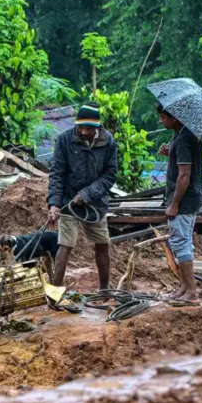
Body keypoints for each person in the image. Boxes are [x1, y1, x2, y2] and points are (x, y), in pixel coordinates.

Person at [47, 102, 119, 293]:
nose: (84, 131)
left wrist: (87, 194)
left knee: (102, 244)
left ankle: (104, 289)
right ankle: (55, 291)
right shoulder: (64, 140)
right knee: (65, 245)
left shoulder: (108, 141)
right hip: (68, 201)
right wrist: (54, 203)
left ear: (97, 127)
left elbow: (110, 175)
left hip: (95, 204)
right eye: (81, 127)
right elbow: (57, 173)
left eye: (89, 128)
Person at [157, 103, 202, 305]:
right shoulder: (183, 136)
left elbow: (184, 175)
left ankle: (191, 292)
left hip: (184, 201)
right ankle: (184, 288)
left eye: (164, 117)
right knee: (183, 242)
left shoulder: (184, 139)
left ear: (175, 118)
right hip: (191, 198)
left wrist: (174, 204)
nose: (161, 121)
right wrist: (171, 152)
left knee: (180, 243)